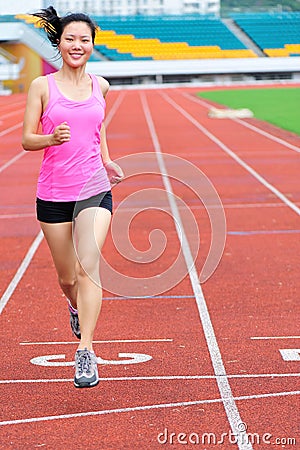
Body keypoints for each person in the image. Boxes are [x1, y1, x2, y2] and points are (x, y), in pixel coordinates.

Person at [22, 6, 124, 388]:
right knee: (68, 278)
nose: (77, 45)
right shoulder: (42, 87)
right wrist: (50, 138)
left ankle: (86, 351)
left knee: (87, 266)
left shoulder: (102, 86)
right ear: (59, 43)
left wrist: (107, 160)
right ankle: (74, 306)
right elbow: (26, 138)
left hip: (93, 190)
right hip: (53, 194)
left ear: (93, 45)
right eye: (70, 39)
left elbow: (97, 129)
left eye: (85, 39)